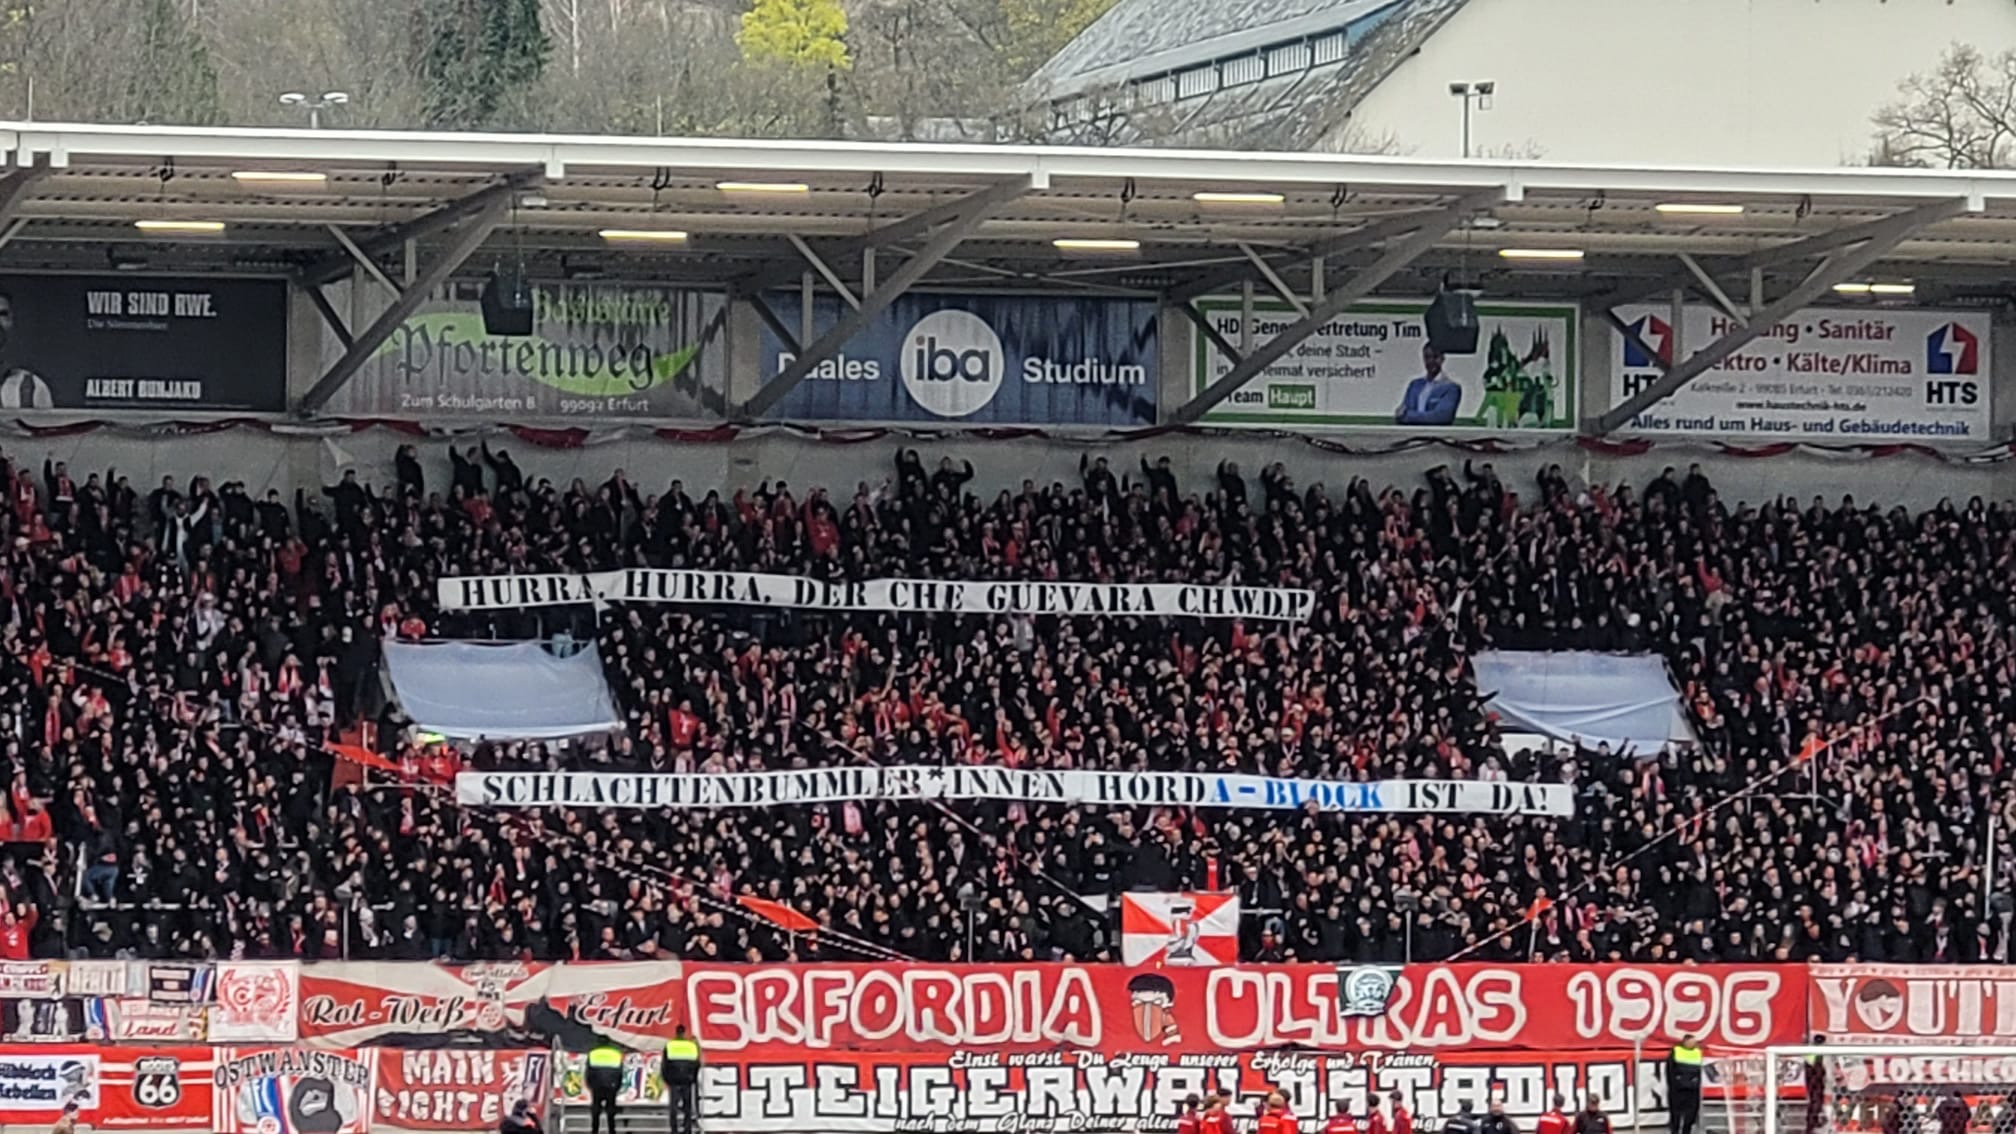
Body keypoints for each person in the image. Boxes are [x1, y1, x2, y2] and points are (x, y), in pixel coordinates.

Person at [1394, 344, 1461, 426]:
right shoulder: (1415, 385)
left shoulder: (1451, 388)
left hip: (1437, 436)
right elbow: (1401, 413)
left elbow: (1442, 417)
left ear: (1442, 359)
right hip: (1411, 435)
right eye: (1427, 357)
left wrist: (1408, 416)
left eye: (1435, 357)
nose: (1430, 361)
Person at [661, 1024, 702, 1134]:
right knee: (687, 1107)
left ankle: (674, 1130)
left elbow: (664, 1065)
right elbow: (697, 1064)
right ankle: (687, 1129)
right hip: (687, 1081)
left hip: (673, 1081)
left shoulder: (670, 1045)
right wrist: (693, 1079)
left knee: (673, 1108)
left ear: (676, 1032)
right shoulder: (691, 1046)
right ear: (684, 1033)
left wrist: (667, 1079)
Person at [584, 1041, 624, 1134]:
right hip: (611, 1085)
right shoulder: (616, 1053)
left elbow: (588, 1071)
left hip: (597, 1085)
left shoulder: (593, 1053)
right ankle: (612, 1130)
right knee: (610, 1110)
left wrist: (590, 1085)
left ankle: (594, 1130)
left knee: (596, 1110)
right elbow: (620, 1072)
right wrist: (617, 1086)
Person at [1668, 1033, 1705, 1134]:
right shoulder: (1676, 1050)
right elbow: (1669, 1070)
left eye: (1694, 1042)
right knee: (1676, 1114)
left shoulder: (1698, 1052)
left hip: (1693, 1089)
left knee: (1691, 1113)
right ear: (1685, 1041)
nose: (1693, 1044)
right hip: (1678, 1089)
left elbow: (1700, 1071)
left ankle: (1686, 1131)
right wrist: (1674, 1084)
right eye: (1691, 1042)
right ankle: (1675, 1131)